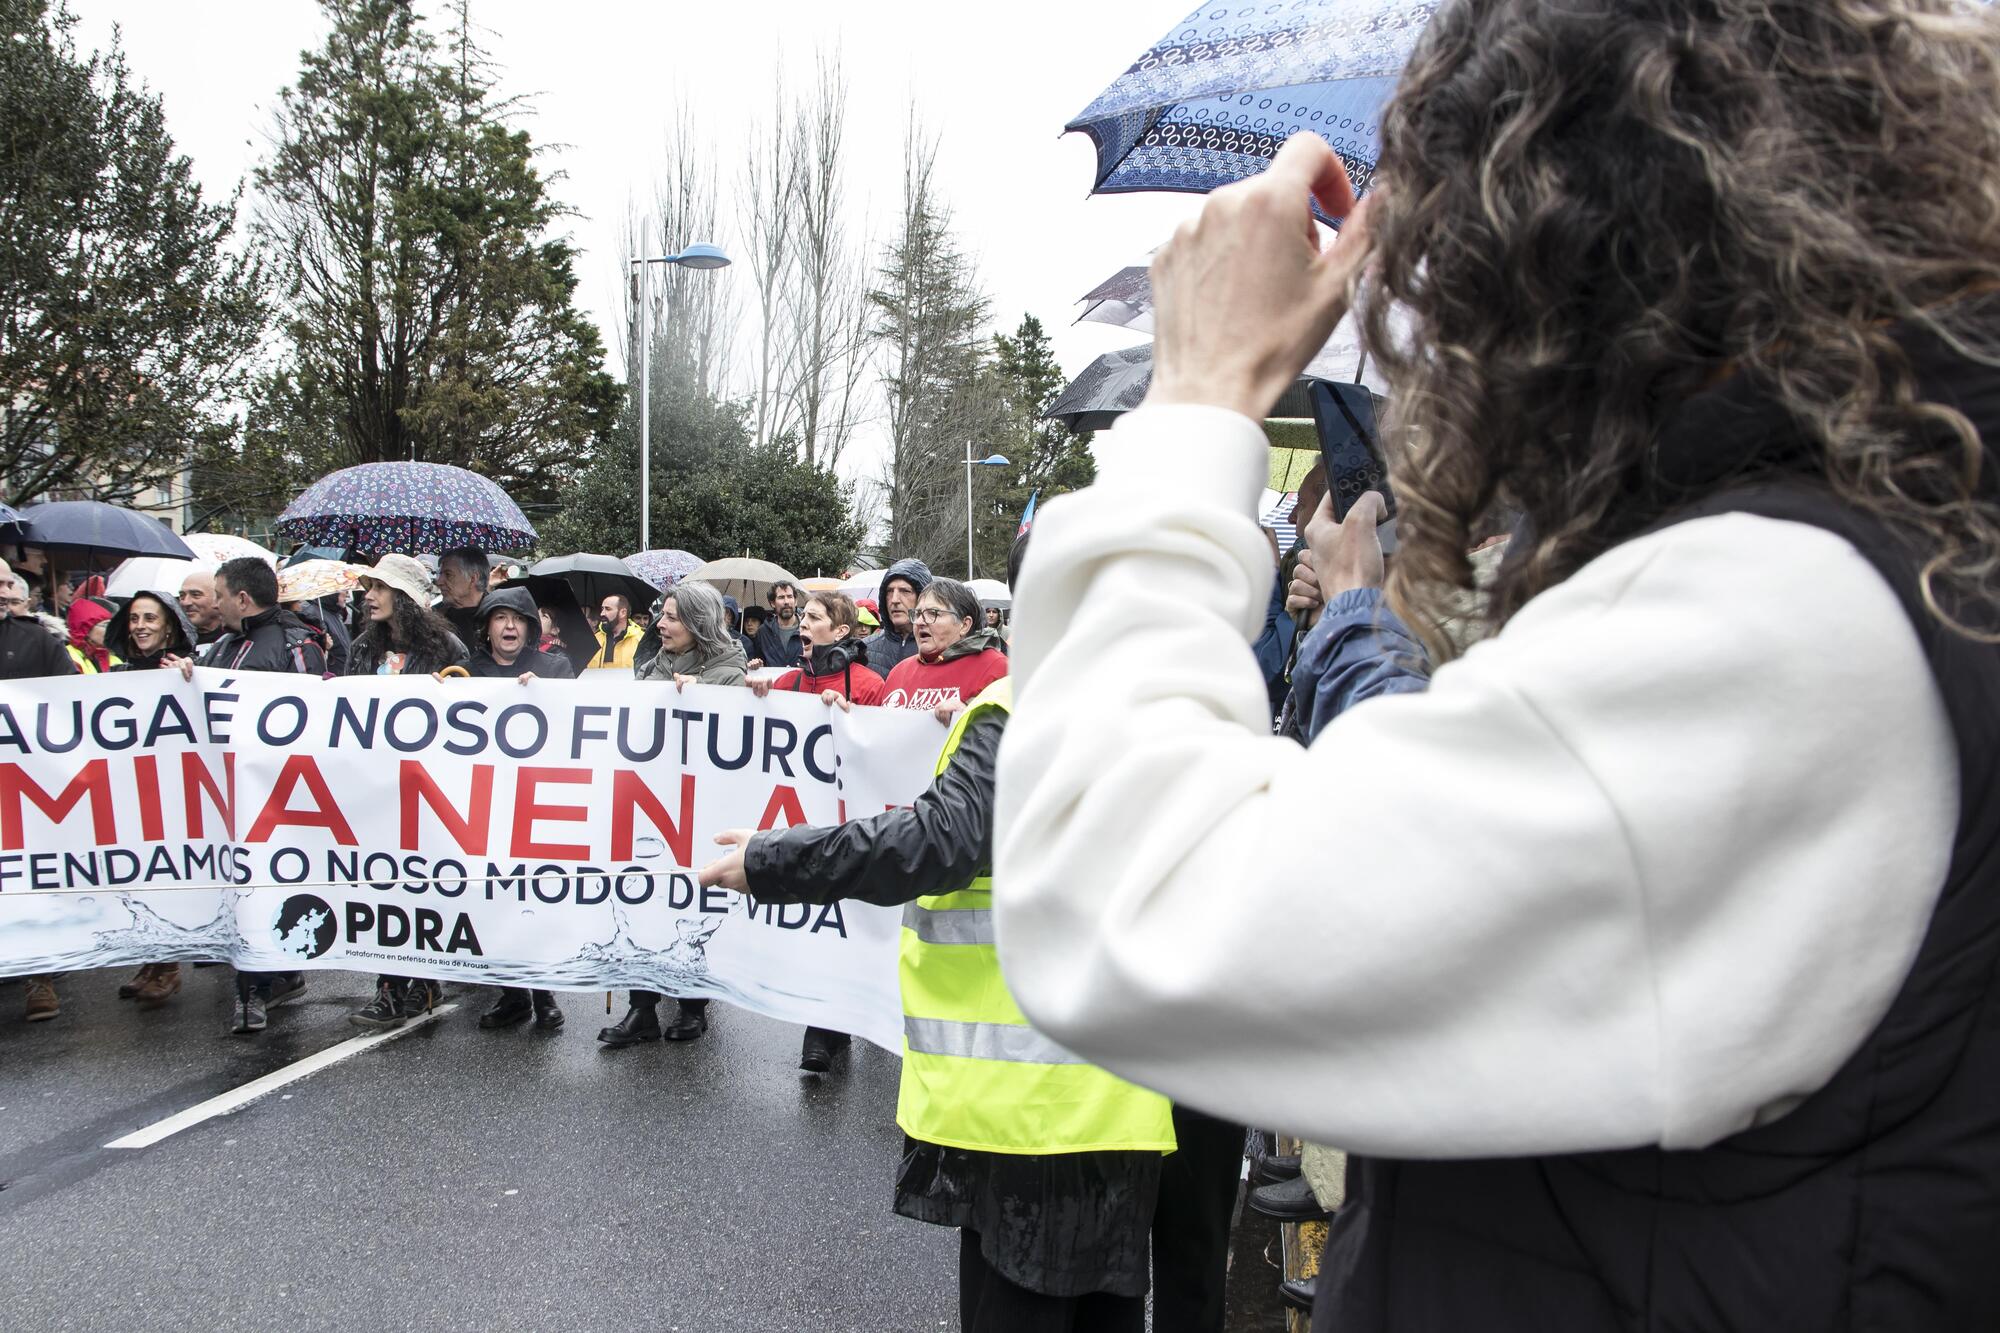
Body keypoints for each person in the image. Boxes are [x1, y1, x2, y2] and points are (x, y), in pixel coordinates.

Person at [991, 6, 2000, 1328]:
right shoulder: (1901, 548)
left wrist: (1197, 400)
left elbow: (1120, 912)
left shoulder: (1794, 618)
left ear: (1555, 260)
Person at [698, 539, 1174, 1332]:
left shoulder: (1020, 715)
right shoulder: (1152, 717)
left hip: (1032, 1112)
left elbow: (935, 842)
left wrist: (775, 858)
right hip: (1118, 1100)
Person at [599, 580, 747, 1048]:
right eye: (661, 616)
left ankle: (691, 1007)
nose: (660, 624)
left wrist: (703, 697)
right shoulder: (651, 670)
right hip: (648, 807)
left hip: (700, 810)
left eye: (673, 618)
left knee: (691, 905)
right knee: (640, 900)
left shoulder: (729, 672)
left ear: (699, 624)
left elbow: (737, 739)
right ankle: (640, 1008)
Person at [747, 590, 887, 1071]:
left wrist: (852, 716)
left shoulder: (870, 684)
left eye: (813, 617)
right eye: (801, 617)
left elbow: (886, 751)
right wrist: (756, 697)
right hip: (799, 821)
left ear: (841, 631)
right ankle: (825, 1021)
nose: (801, 624)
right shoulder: (786, 681)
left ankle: (826, 1028)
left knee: (842, 916)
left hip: (849, 823)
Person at [197, 556, 328, 1033]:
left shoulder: (297, 645)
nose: (213, 603)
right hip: (231, 794)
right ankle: (266, 979)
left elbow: (318, 712)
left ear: (242, 598)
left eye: (218, 593)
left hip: (282, 795)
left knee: (269, 881)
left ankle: (260, 984)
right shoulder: (222, 646)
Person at [343, 554, 468, 1030]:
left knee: (421, 887)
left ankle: (425, 978)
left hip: (426, 791)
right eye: (368, 586)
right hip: (374, 788)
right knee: (382, 889)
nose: (369, 596)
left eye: (380, 587)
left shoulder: (446, 649)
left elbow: (468, 723)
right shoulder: (362, 649)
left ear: (407, 598)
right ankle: (391, 988)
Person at [456, 585, 573, 1033]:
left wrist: (548, 694)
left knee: (531, 900)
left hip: (535, 803)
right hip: (483, 804)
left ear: (529, 626)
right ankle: (511, 995)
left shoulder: (553, 668)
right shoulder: (465, 673)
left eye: (518, 619)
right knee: (490, 900)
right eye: (500, 618)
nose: (509, 626)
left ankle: (543, 995)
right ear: (486, 626)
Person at [101, 590, 202, 1009]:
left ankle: (170, 965)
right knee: (137, 876)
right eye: (134, 618)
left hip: (172, 791)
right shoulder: (119, 673)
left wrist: (191, 678)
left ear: (169, 627)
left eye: (150, 618)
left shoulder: (181, 671)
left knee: (166, 877)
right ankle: (150, 960)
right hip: (129, 788)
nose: (141, 625)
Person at [0, 559, 76, 1022]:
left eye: (8, 581)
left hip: (25, 787)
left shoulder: (37, 640)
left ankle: (38, 976)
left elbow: (75, 704)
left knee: (26, 879)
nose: (6, 590)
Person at [880, 578, 1009, 714]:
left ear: (964, 625)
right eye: (918, 614)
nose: (920, 622)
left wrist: (967, 715)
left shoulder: (996, 667)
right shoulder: (899, 673)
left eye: (933, 613)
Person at [863, 558, 931, 674]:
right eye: (889, 591)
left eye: (905, 591)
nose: (894, 600)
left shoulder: (939, 648)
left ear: (923, 597)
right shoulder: (864, 649)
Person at [434, 545, 489, 646]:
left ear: (472, 579)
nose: (439, 582)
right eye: (440, 574)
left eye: (448, 575)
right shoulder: (433, 619)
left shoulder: (497, 615)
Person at [747, 579, 804, 669]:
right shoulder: (763, 632)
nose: (786, 602)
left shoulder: (807, 629)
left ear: (795, 601)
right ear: (772, 603)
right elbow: (759, 661)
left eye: (789, 596)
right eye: (781, 597)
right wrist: (758, 665)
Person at [63, 596, 120, 673]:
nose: (111, 630)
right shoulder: (68, 657)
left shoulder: (115, 660)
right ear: (85, 629)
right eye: (105, 625)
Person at [588, 593, 642, 669]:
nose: (602, 613)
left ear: (623, 612)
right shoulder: (594, 639)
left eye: (608, 609)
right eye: (602, 609)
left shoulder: (641, 640)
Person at [176, 568, 225, 652]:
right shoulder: (173, 639)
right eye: (182, 595)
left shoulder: (236, 639)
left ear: (218, 598)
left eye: (195, 595)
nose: (185, 602)